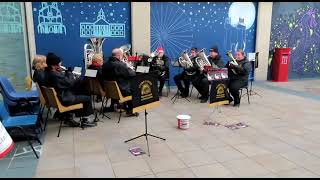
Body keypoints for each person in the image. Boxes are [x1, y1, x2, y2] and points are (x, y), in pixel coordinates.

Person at [45, 53, 97, 126]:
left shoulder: (48, 73)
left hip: (61, 96)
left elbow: (64, 83)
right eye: (58, 64)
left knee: (79, 92)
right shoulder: (55, 75)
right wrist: (68, 72)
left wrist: (61, 72)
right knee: (87, 98)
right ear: (53, 65)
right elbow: (70, 83)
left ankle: (68, 117)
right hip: (65, 99)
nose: (59, 65)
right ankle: (85, 120)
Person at [102, 48, 138, 117]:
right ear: (119, 56)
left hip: (111, 91)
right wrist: (128, 67)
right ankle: (131, 110)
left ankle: (113, 105)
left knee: (119, 83)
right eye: (122, 55)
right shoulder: (120, 65)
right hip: (121, 91)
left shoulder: (105, 65)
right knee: (134, 87)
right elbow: (132, 74)